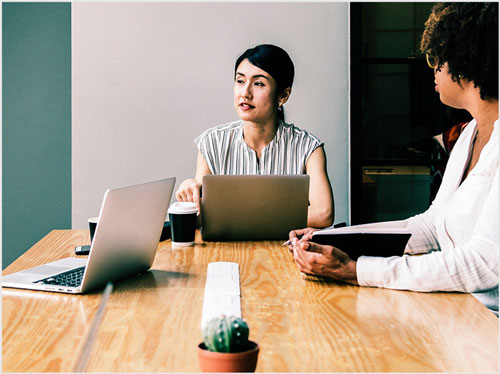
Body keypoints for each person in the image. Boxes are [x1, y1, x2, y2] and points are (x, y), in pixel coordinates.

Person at [289, 3, 499, 314]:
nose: (433, 69)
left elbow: (485, 264)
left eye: (436, 57)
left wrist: (356, 270)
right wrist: (331, 237)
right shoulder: (469, 135)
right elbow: (429, 227)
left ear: (465, 58)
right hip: (455, 309)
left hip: (485, 327)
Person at [176, 44, 334, 228]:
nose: (245, 93)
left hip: (285, 253)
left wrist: (237, 214)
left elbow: (324, 214)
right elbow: (201, 217)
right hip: (226, 254)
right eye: (240, 81)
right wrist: (189, 190)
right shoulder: (211, 143)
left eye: (258, 83)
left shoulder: (308, 148)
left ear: (283, 95)